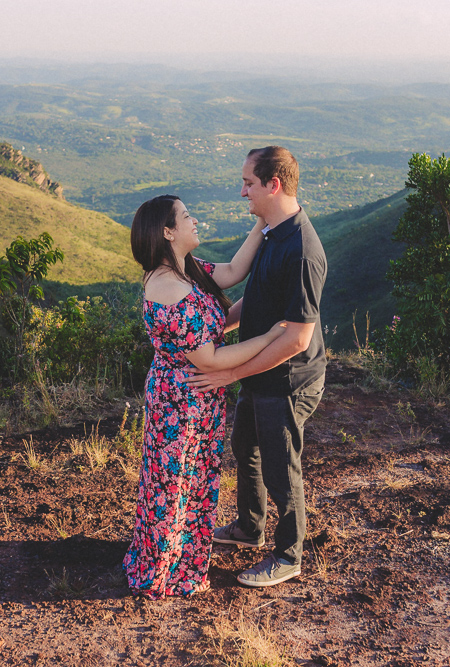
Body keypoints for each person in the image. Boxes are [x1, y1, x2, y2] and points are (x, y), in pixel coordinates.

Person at [123, 194, 287, 599]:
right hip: (180, 403)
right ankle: (165, 569)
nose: (194, 220)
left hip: (197, 397)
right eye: (186, 216)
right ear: (167, 232)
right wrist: (269, 336)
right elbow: (210, 358)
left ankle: (180, 556)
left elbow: (232, 272)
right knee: (175, 484)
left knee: (190, 481)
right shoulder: (168, 288)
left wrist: (263, 222)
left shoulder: (185, 270)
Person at [188, 146, 327, 588]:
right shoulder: (273, 233)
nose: (242, 191)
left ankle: (288, 556)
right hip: (258, 370)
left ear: (273, 185)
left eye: (248, 183)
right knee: (245, 445)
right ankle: (250, 528)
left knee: (281, 467)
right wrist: (215, 330)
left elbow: (297, 338)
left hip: (288, 379)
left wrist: (230, 373)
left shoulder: (302, 251)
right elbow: (259, 296)